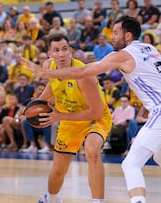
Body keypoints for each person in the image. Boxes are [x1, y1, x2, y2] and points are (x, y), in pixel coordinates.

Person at [22, 16, 161, 203]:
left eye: (115, 33)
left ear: (127, 36)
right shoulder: (151, 49)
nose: (111, 37)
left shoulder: (121, 55)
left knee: (130, 164)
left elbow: (82, 72)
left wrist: (43, 73)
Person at [26, 34, 112, 203]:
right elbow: (54, 83)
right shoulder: (48, 66)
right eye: (56, 50)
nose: (61, 54)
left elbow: (96, 113)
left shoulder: (84, 75)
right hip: (69, 120)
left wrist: (59, 116)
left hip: (96, 118)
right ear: (50, 54)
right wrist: (38, 102)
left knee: (92, 151)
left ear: (71, 51)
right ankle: (51, 199)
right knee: (58, 170)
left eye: (65, 49)